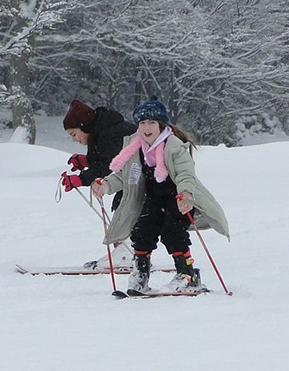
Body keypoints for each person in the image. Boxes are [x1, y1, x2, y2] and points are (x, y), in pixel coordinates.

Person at [90, 96, 229, 293]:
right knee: (142, 230)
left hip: (177, 197)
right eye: (142, 123)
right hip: (153, 197)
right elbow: (123, 175)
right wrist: (105, 185)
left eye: (152, 123)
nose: (147, 127)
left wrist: (186, 195)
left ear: (161, 125)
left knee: (173, 232)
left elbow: (185, 173)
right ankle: (141, 274)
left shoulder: (174, 146)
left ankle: (187, 274)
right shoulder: (134, 146)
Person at [61, 99, 137, 270]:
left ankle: (128, 255)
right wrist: (86, 161)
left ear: (84, 126)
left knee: (125, 211)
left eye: (74, 134)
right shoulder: (103, 130)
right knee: (123, 210)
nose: (74, 139)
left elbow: (108, 165)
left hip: (145, 176)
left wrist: (81, 179)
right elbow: (111, 157)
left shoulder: (109, 132)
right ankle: (130, 253)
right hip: (134, 176)